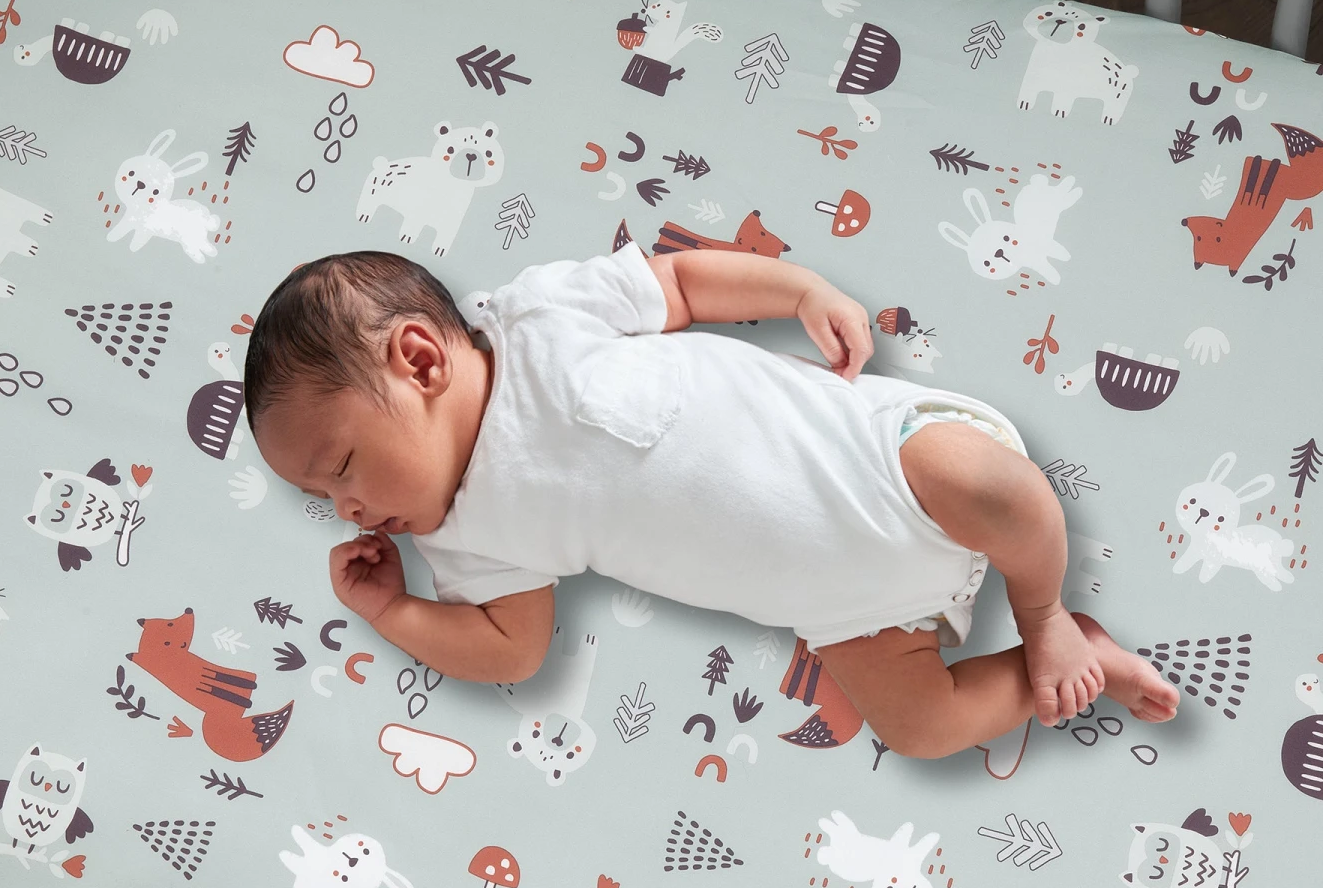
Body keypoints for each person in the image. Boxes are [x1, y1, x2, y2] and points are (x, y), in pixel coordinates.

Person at [244, 245, 1178, 761]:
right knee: (921, 727)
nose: (345, 508)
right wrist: (394, 610)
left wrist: (800, 290)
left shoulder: (536, 319)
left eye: (342, 467)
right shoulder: (466, 539)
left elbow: (680, 284)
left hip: (882, 462)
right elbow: (511, 651)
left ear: (418, 360)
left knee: (999, 491)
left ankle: (1045, 614)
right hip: (855, 612)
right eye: (320, 497)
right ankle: (1081, 660)